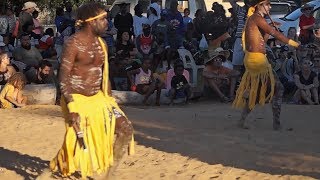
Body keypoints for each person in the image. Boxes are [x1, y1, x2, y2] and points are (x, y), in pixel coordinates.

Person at [49, 3, 134, 179]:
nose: (107, 23)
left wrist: (110, 102)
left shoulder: (102, 44)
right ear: (90, 22)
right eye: (103, 19)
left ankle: (108, 174)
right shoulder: (73, 43)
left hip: (99, 99)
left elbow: (104, 75)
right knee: (77, 145)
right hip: (76, 99)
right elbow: (63, 77)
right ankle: (60, 163)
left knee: (125, 129)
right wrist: (71, 108)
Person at [232, 0, 299, 130]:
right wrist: (295, 44)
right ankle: (277, 125)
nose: (270, 7)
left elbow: (265, 39)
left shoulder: (256, 20)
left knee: (256, 93)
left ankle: (242, 120)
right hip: (257, 61)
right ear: (260, 6)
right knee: (278, 88)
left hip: (255, 59)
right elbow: (276, 34)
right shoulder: (256, 18)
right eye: (267, 4)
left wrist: (269, 29)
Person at [229, 0, 249, 73]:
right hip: (240, 39)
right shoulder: (241, 10)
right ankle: (234, 83)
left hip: (250, 40)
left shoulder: (255, 11)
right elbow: (231, 1)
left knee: (250, 64)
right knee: (236, 64)